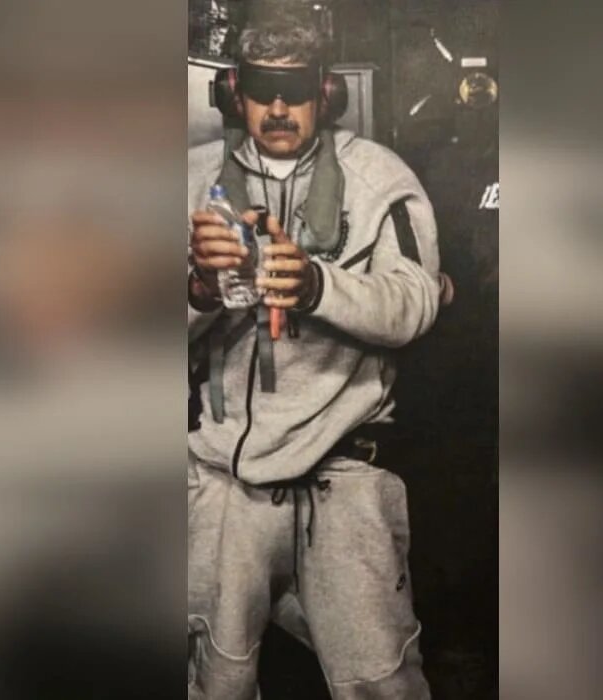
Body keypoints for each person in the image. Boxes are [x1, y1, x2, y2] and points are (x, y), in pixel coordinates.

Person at [186, 17, 440, 700]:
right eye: (261, 90)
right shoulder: (190, 180)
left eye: (295, 91)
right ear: (233, 93)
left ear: (325, 94)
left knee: (380, 682)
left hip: (344, 477)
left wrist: (318, 286)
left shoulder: (379, 178)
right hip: (224, 485)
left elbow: (417, 300)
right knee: (217, 679)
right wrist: (200, 290)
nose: (277, 108)